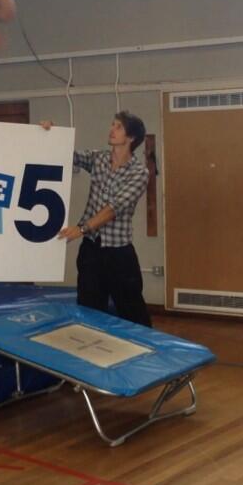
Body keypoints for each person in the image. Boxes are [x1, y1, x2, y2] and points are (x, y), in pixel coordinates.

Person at [41, 111, 151, 327]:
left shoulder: (139, 173)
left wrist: (81, 229)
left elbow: (113, 209)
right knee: (89, 309)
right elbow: (67, 154)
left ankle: (148, 354)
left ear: (131, 137)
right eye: (113, 124)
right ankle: (92, 355)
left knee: (132, 311)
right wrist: (50, 133)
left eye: (118, 127)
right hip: (91, 251)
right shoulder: (98, 159)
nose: (112, 129)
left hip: (119, 254)